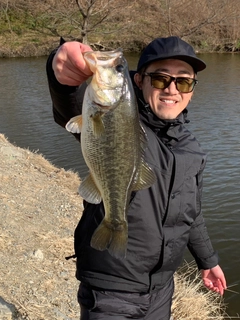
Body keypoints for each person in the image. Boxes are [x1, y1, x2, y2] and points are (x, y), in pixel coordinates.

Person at [46, 36, 227, 320]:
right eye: (159, 79)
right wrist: (61, 73)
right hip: (110, 291)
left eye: (183, 82)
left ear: (192, 89)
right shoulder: (119, 116)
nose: (171, 90)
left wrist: (208, 260)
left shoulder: (191, 148)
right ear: (139, 81)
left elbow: (191, 211)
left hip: (162, 290)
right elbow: (70, 103)